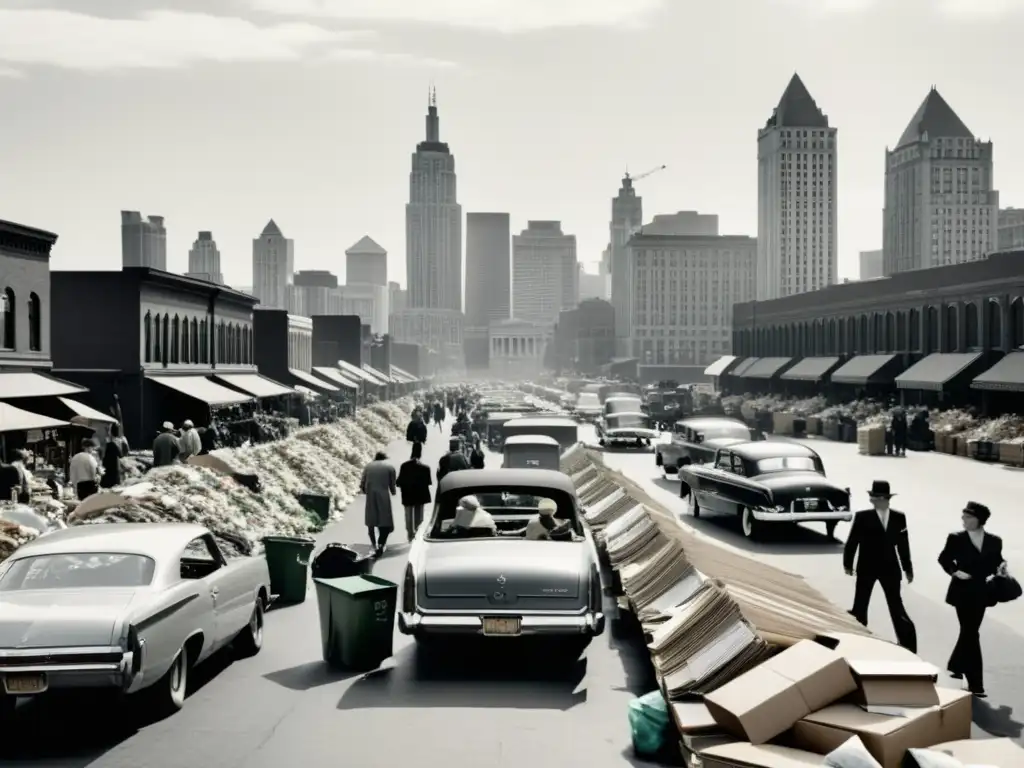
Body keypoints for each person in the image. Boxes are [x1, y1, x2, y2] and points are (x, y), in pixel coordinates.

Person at [938, 501, 1007, 698]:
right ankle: (976, 683)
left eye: (968, 517)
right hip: (961, 591)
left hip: (981, 593)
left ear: (980, 520)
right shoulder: (956, 538)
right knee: (971, 633)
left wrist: (1000, 568)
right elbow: (944, 558)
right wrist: (955, 572)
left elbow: (997, 561)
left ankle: (956, 664)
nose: (964, 521)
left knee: (969, 631)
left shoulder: (994, 541)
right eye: (963, 517)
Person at [843, 480, 917, 651]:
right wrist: (848, 563)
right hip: (866, 567)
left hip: (890, 569)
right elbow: (852, 541)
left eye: (874, 497)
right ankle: (858, 637)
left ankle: (906, 643)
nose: (871, 500)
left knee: (896, 605)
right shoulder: (863, 517)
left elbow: (903, 545)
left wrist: (907, 568)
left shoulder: (899, 518)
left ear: (884, 498)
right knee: (860, 604)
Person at [360, 450, 397, 556]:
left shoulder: (368, 466)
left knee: (371, 521)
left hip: (371, 496)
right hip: (383, 496)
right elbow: (392, 484)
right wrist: (393, 491)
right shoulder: (389, 467)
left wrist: (365, 490)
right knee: (384, 521)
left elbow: (362, 483)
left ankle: (374, 544)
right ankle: (381, 543)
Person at [396, 441, 432, 541]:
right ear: (420, 452)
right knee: (419, 516)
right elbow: (429, 482)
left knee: (408, 515)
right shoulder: (425, 468)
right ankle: (418, 533)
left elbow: (399, 482)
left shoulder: (404, 466)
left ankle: (410, 534)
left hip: (407, 494)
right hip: (420, 495)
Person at [100, 424, 127, 489]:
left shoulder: (110, 443)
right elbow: (122, 454)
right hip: (116, 467)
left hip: (110, 467)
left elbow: (103, 456)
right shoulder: (120, 441)